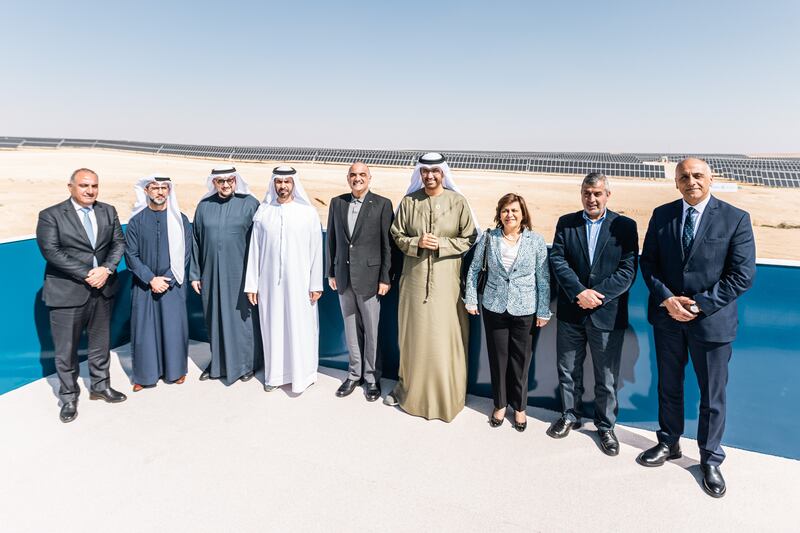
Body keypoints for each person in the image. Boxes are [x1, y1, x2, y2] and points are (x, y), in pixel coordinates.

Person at [639, 158, 756, 498]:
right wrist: (667, 299)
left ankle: (709, 458)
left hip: (712, 324)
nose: (691, 181)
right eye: (684, 176)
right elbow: (649, 263)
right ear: (676, 182)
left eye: (698, 175)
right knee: (669, 387)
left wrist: (699, 304)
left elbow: (743, 274)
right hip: (668, 319)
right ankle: (669, 442)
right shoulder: (663, 215)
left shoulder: (735, 218)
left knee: (712, 396)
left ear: (711, 179)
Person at [547, 173, 639, 455]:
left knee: (607, 375)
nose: (592, 199)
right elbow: (558, 259)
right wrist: (579, 292)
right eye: (587, 193)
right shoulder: (567, 223)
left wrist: (596, 296)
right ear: (582, 194)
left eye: (597, 193)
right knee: (568, 369)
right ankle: (570, 415)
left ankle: (605, 426)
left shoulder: (624, 226)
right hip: (571, 313)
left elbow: (628, 269)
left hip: (607, 315)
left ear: (607, 195)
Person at [387, 152, 478, 422]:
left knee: (443, 340)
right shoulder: (408, 202)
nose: (430, 176)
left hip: (447, 285)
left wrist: (442, 244)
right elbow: (396, 234)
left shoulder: (458, 202)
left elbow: (469, 237)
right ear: (420, 174)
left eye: (435, 172)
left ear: (443, 173)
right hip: (413, 283)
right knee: (413, 338)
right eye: (425, 172)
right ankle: (410, 393)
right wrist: (416, 243)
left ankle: (447, 397)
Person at [35, 168, 127, 422]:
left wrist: (107, 269)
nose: (90, 191)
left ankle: (100, 386)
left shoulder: (107, 211)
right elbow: (51, 251)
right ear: (71, 187)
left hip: (103, 290)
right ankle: (68, 397)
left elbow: (119, 242)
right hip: (67, 292)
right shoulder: (51, 215)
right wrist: (89, 273)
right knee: (66, 350)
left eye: (94, 186)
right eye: (84, 186)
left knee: (100, 343)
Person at [464, 193, 550, 432]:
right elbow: (473, 270)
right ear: (499, 214)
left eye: (514, 211)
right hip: (494, 306)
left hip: (525, 309)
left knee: (521, 362)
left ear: (523, 214)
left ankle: (520, 408)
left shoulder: (535, 240)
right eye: (505, 211)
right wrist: (471, 299)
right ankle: (500, 404)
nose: (509, 215)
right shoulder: (489, 239)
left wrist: (543, 310)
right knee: (498, 359)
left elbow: (543, 279)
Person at [244, 166, 323, 394]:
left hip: (301, 284)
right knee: (273, 326)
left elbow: (316, 250)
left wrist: (315, 283)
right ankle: (275, 375)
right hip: (269, 284)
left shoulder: (307, 213)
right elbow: (255, 251)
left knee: (300, 327)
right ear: (273, 184)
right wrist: (252, 284)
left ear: (294, 185)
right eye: (279, 182)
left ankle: (302, 375)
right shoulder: (263, 213)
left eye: (287, 182)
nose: (283, 186)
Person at [326, 162, 393, 401]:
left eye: (362, 174)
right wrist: (330, 272)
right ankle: (354, 375)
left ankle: (372, 378)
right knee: (351, 329)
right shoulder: (337, 202)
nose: (357, 178)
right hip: (343, 278)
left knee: (372, 331)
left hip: (371, 280)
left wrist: (385, 277)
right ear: (348, 178)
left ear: (369, 177)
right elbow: (331, 240)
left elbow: (387, 245)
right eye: (353, 175)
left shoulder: (383, 204)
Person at [190, 166, 261, 384]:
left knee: (242, 321)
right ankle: (218, 363)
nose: (226, 184)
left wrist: (256, 278)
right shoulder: (204, 207)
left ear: (236, 180)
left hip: (240, 275)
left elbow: (259, 243)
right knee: (214, 319)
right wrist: (195, 274)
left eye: (230, 180)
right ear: (214, 183)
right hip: (210, 275)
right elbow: (196, 242)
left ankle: (246, 364)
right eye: (220, 181)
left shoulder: (250, 204)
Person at [124, 175, 192, 392]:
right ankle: (144, 376)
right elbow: (131, 255)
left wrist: (168, 279)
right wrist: (151, 278)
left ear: (169, 191)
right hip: (144, 285)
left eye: (164, 188)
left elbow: (185, 255)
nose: (160, 192)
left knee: (174, 329)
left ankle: (176, 371)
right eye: (155, 188)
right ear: (146, 191)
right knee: (144, 332)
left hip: (173, 286)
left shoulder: (180, 220)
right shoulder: (136, 221)